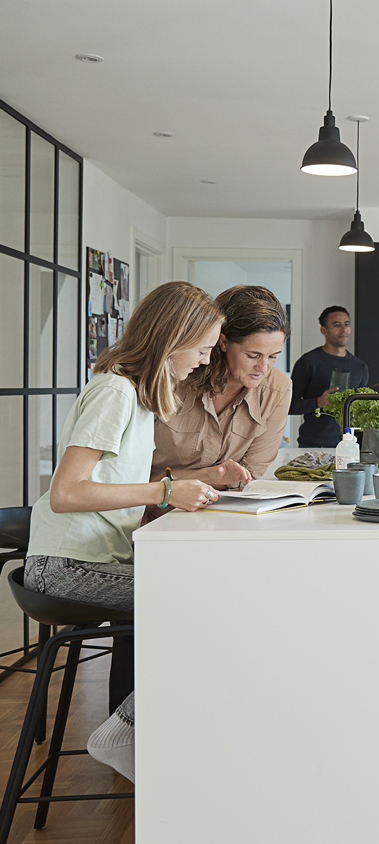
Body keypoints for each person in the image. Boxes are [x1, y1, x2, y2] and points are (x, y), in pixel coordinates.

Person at [24, 281, 226, 782]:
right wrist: (165, 491)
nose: (205, 361)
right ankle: (128, 730)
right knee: (199, 602)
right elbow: (66, 493)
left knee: (203, 597)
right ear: (174, 339)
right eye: (203, 349)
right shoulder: (114, 392)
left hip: (92, 561)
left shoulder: (136, 396)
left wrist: (193, 482)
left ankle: (162, 734)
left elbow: (116, 484)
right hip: (65, 568)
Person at [149, 285, 292, 493]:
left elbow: (247, 476)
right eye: (253, 356)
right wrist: (205, 477)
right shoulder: (178, 375)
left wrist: (172, 478)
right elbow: (132, 471)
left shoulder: (278, 389)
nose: (263, 368)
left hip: (220, 507)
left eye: (273, 356)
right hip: (149, 505)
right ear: (223, 342)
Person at [290, 306, 369, 447]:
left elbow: (362, 411)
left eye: (347, 324)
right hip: (313, 445)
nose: (344, 329)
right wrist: (318, 402)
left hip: (349, 446)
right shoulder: (308, 362)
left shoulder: (360, 367)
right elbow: (288, 405)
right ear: (323, 330)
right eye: (337, 325)